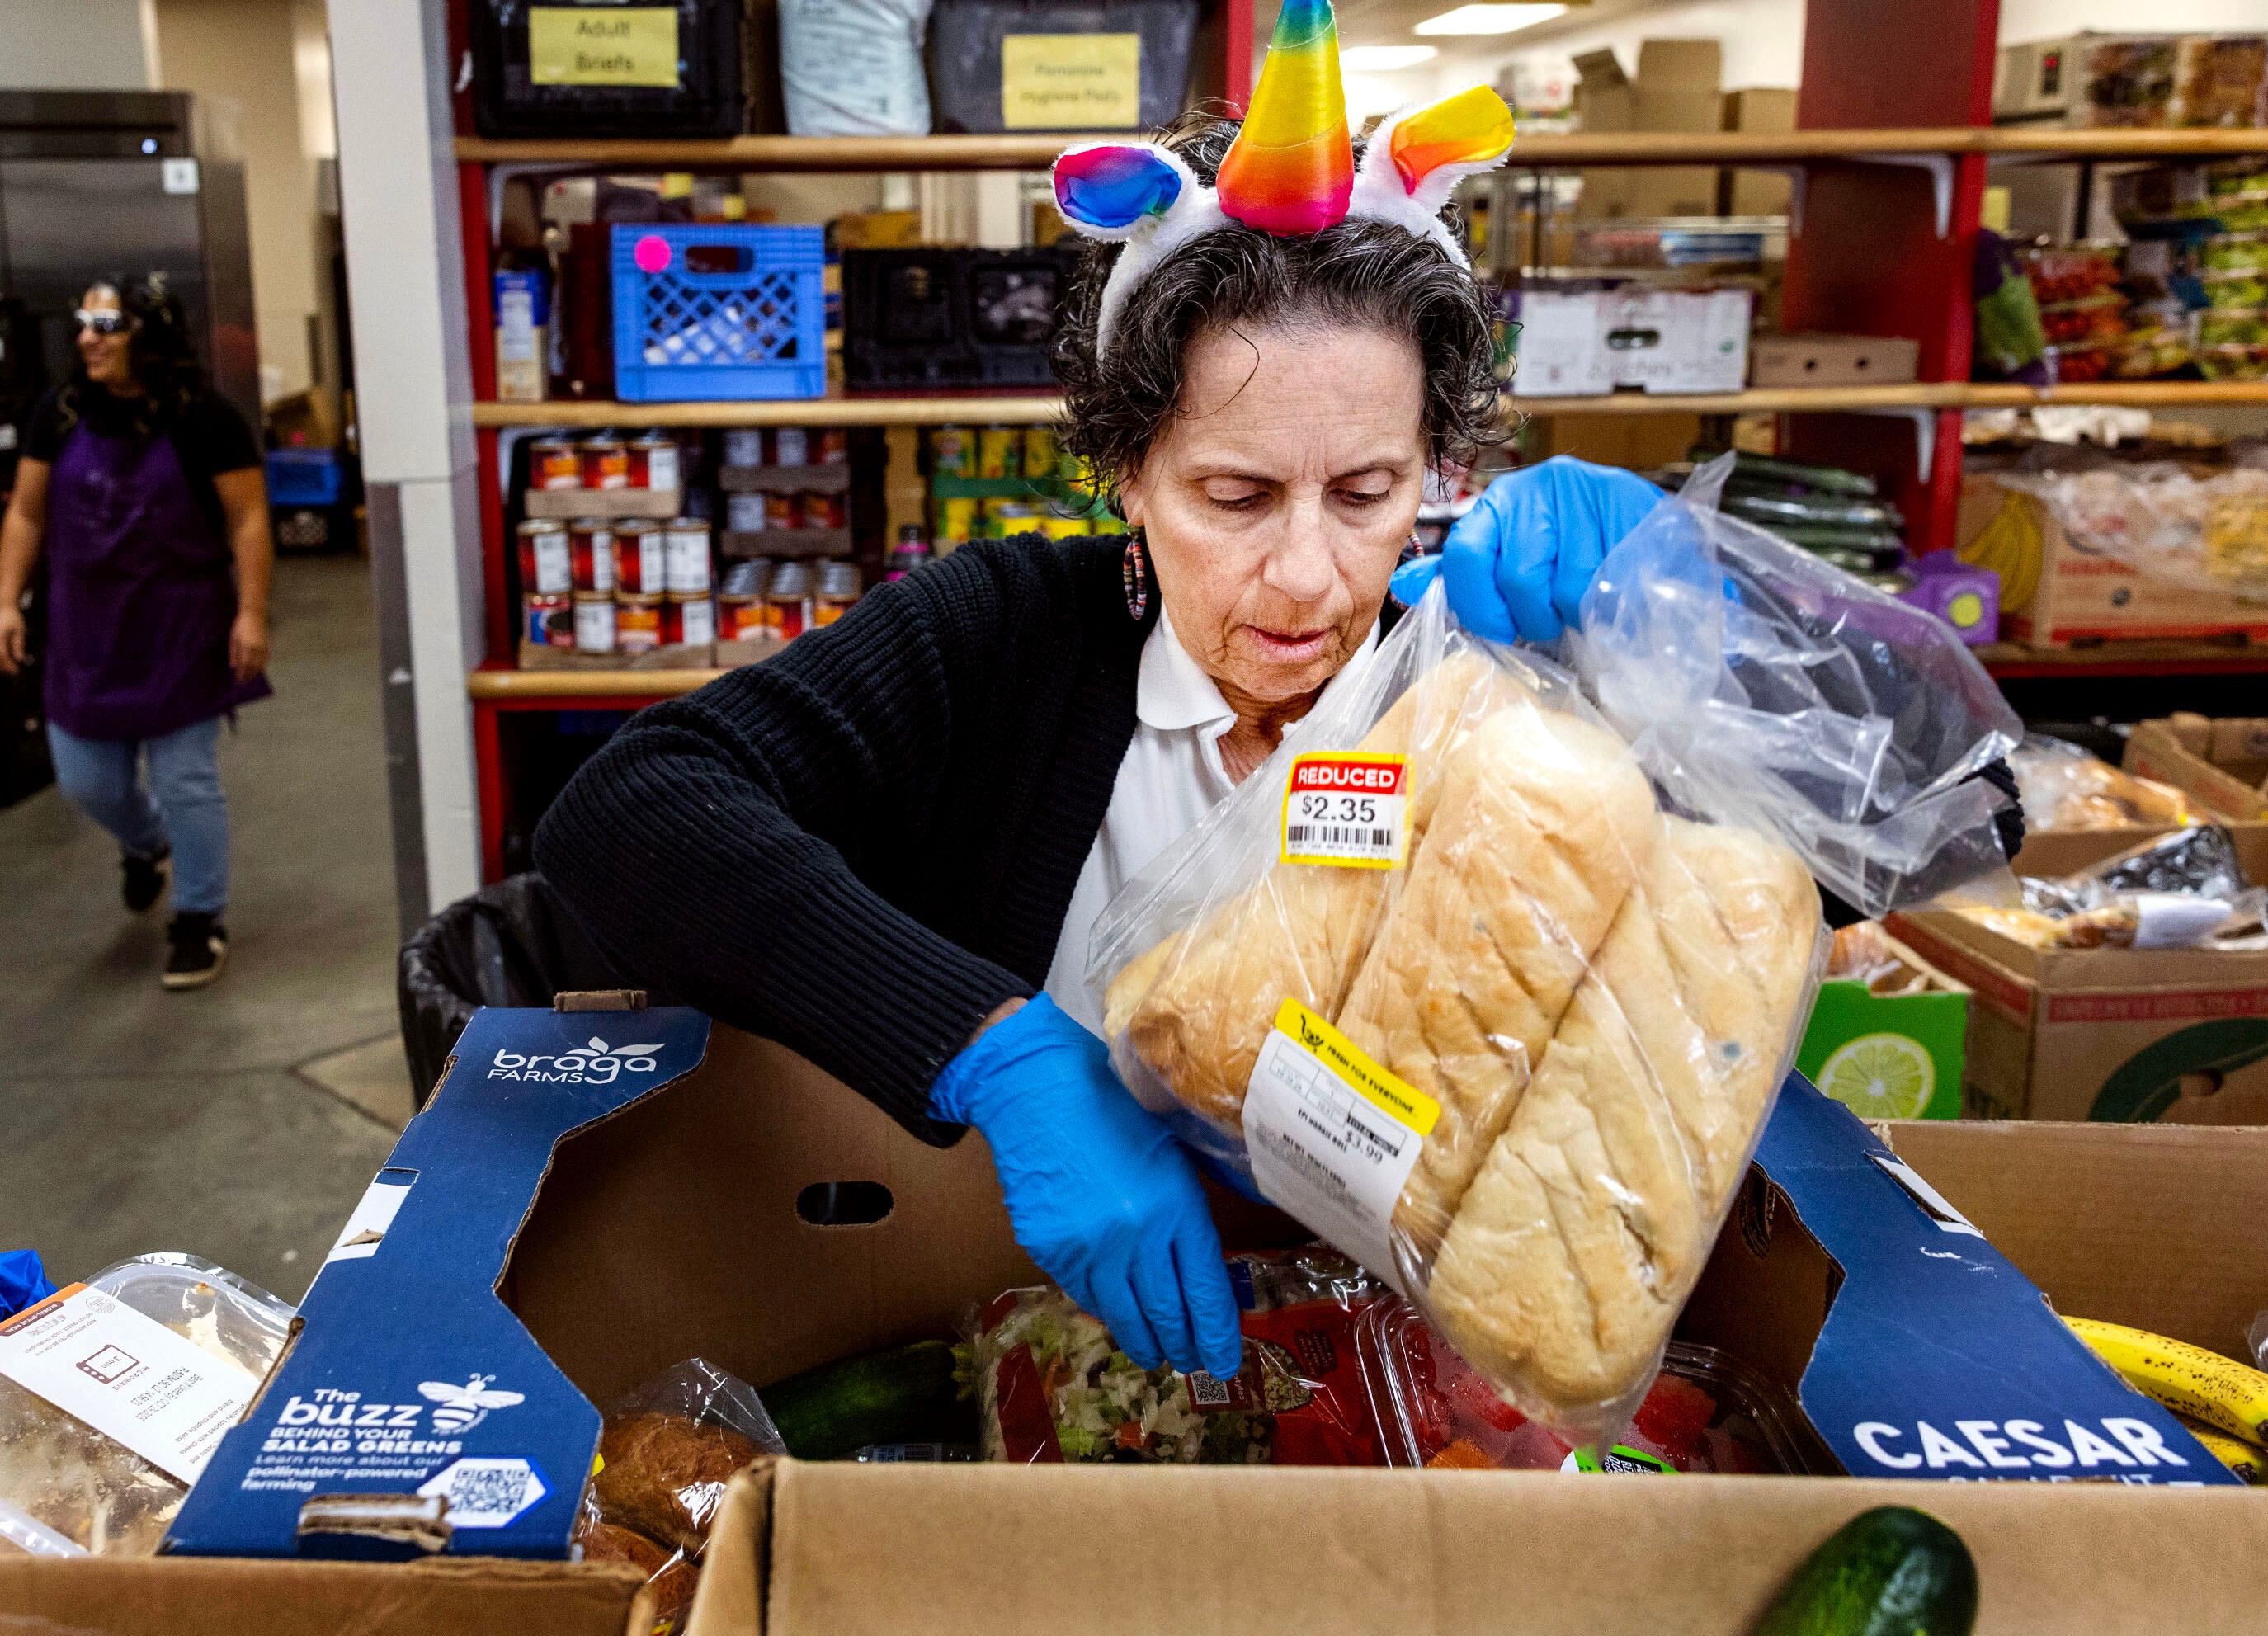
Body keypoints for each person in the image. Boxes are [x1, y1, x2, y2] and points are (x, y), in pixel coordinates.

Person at [535, 7, 2017, 1380]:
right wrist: (995, 1048)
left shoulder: (1513, 688)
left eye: (1367, 489)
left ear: (1439, 464)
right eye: (1233, 495)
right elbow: (627, 811)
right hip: (1029, 1337)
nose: (1306, 575)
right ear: (1123, 469)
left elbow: (1968, 807)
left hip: (1444, 1384)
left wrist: (1694, 613)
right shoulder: (1007, 641)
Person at [0, 274, 271, 989]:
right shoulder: (57, 416)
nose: (88, 337)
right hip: (82, 630)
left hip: (180, 626)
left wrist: (251, 611)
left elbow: (247, 518)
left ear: (147, 334)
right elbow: (26, 513)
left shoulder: (205, 417)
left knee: (187, 780)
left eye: (108, 324)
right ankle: (146, 841)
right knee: (87, 780)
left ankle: (197, 919)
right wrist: (5, 600)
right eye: (83, 322)